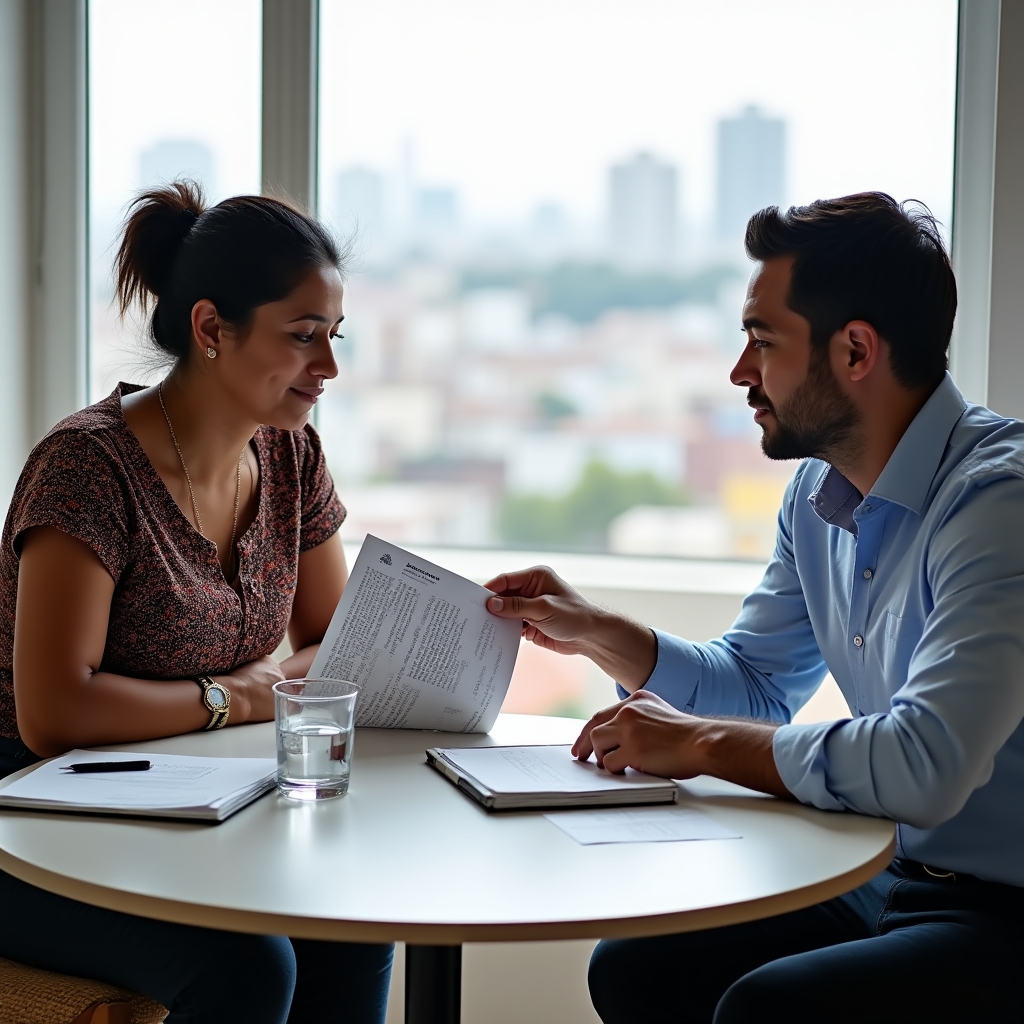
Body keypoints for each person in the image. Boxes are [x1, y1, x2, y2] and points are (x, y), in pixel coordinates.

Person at [485, 193, 1024, 1023]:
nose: (741, 371)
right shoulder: (819, 493)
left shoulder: (998, 504)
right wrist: (593, 629)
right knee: (636, 968)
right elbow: (759, 683)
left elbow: (927, 762)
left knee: (768, 1010)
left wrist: (698, 743)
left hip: (1003, 907)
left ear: (855, 351)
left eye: (762, 341)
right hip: (883, 869)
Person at [0, 182, 393, 1024]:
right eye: (302, 337)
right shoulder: (87, 468)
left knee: (354, 921)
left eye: (333, 337)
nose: (328, 368)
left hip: (190, 806)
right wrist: (233, 698)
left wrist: (269, 687)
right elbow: (53, 710)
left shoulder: (290, 455)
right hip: (25, 820)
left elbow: (335, 643)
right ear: (212, 329)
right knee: (249, 968)